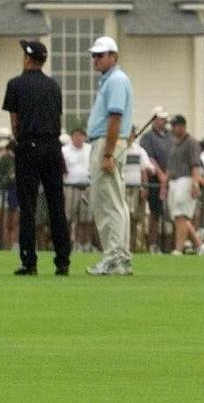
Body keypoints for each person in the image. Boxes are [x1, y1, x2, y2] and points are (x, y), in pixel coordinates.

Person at [1, 40, 70, 274]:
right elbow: (57, 117)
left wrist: (19, 139)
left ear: (28, 58)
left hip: (29, 146)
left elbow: (15, 121)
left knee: (28, 206)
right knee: (56, 205)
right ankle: (63, 260)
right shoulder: (53, 86)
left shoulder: (15, 84)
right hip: (52, 146)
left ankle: (29, 260)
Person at [84, 36, 133, 276]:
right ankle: (120, 257)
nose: (96, 59)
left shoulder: (115, 80)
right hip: (108, 142)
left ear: (113, 56)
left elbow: (115, 118)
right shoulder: (113, 80)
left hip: (106, 142)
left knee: (107, 203)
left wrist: (107, 153)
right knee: (116, 202)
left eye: (101, 55)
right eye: (94, 55)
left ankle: (114, 257)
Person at [164, 115, 204, 255]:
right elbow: (170, 167)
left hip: (186, 179)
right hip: (174, 182)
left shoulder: (192, 143)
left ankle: (179, 248)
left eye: (175, 126)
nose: (172, 129)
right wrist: (164, 185)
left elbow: (195, 165)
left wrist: (195, 183)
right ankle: (199, 245)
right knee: (177, 216)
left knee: (182, 215)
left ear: (182, 126)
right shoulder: (175, 144)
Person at [137, 106, 173, 253]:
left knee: (170, 215)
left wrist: (167, 176)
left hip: (170, 179)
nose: (164, 121)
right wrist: (161, 175)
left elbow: (173, 157)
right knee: (155, 213)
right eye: (161, 119)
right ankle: (152, 244)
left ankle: (168, 246)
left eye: (165, 119)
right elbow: (149, 158)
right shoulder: (148, 137)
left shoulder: (170, 136)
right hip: (154, 181)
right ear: (154, 119)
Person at [61, 129, 93, 253]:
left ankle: (84, 243)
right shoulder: (64, 150)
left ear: (84, 137)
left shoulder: (90, 149)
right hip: (70, 187)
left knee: (86, 219)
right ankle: (68, 244)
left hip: (86, 188)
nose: (78, 138)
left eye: (80, 136)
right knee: (68, 218)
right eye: (75, 136)